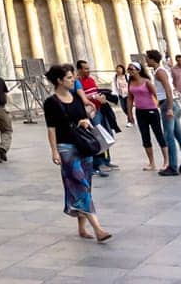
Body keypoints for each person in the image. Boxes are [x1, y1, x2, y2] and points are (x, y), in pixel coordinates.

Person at [43, 63, 112, 243]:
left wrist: (85, 120)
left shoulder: (75, 97)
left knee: (85, 186)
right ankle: (98, 229)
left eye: (73, 77)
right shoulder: (51, 102)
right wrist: (54, 151)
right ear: (59, 80)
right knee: (80, 184)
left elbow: (84, 117)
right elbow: (51, 129)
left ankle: (82, 228)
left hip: (83, 145)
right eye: (69, 78)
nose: (73, 80)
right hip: (66, 148)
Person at [148, 49, 181, 176]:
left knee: (169, 136)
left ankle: (173, 166)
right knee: (179, 135)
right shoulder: (161, 71)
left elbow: (168, 89)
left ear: (152, 59)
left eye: (147, 58)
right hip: (173, 103)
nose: (146, 60)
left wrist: (168, 107)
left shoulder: (159, 72)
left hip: (168, 104)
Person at [124, 62, 167, 171]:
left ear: (138, 70)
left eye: (132, 69)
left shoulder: (146, 81)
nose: (130, 71)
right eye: (129, 69)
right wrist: (129, 113)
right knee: (145, 137)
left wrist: (158, 106)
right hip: (140, 111)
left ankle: (166, 160)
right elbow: (130, 98)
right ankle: (151, 162)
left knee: (159, 135)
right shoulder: (131, 83)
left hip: (151, 110)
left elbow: (155, 94)